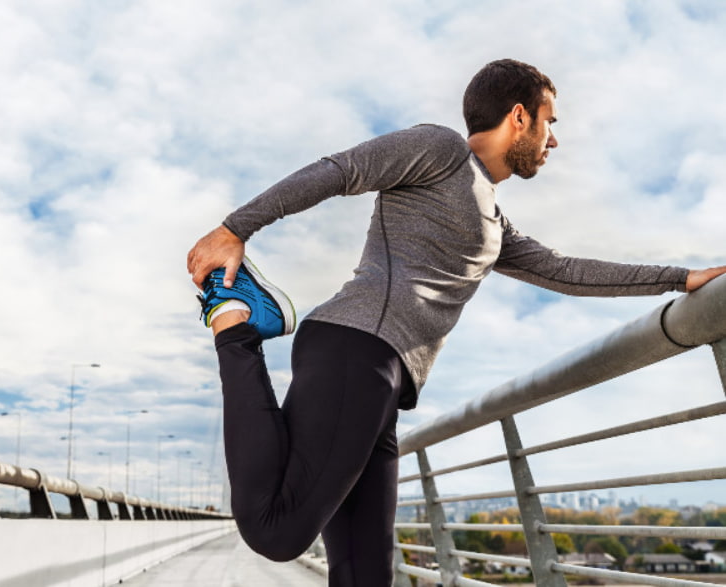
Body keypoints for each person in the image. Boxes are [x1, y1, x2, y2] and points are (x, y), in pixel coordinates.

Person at [186, 59, 726, 586]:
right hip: (357, 348)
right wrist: (237, 228)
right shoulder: (438, 149)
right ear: (519, 117)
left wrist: (679, 278)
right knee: (276, 532)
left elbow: (566, 271)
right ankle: (235, 323)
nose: (552, 140)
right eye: (549, 123)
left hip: (384, 385)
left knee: (364, 572)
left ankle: (240, 321)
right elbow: (339, 170)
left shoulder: (493, 222)